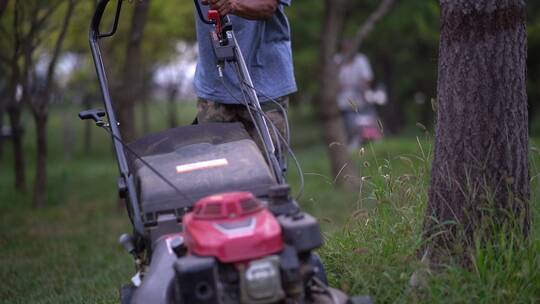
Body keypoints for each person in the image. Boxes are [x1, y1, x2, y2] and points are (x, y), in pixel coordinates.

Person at [194, 0, 296, 156]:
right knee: (215, 173)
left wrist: (233, 4)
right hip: (214, 86)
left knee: (267, 173)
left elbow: (268, 6)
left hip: (266, 86)